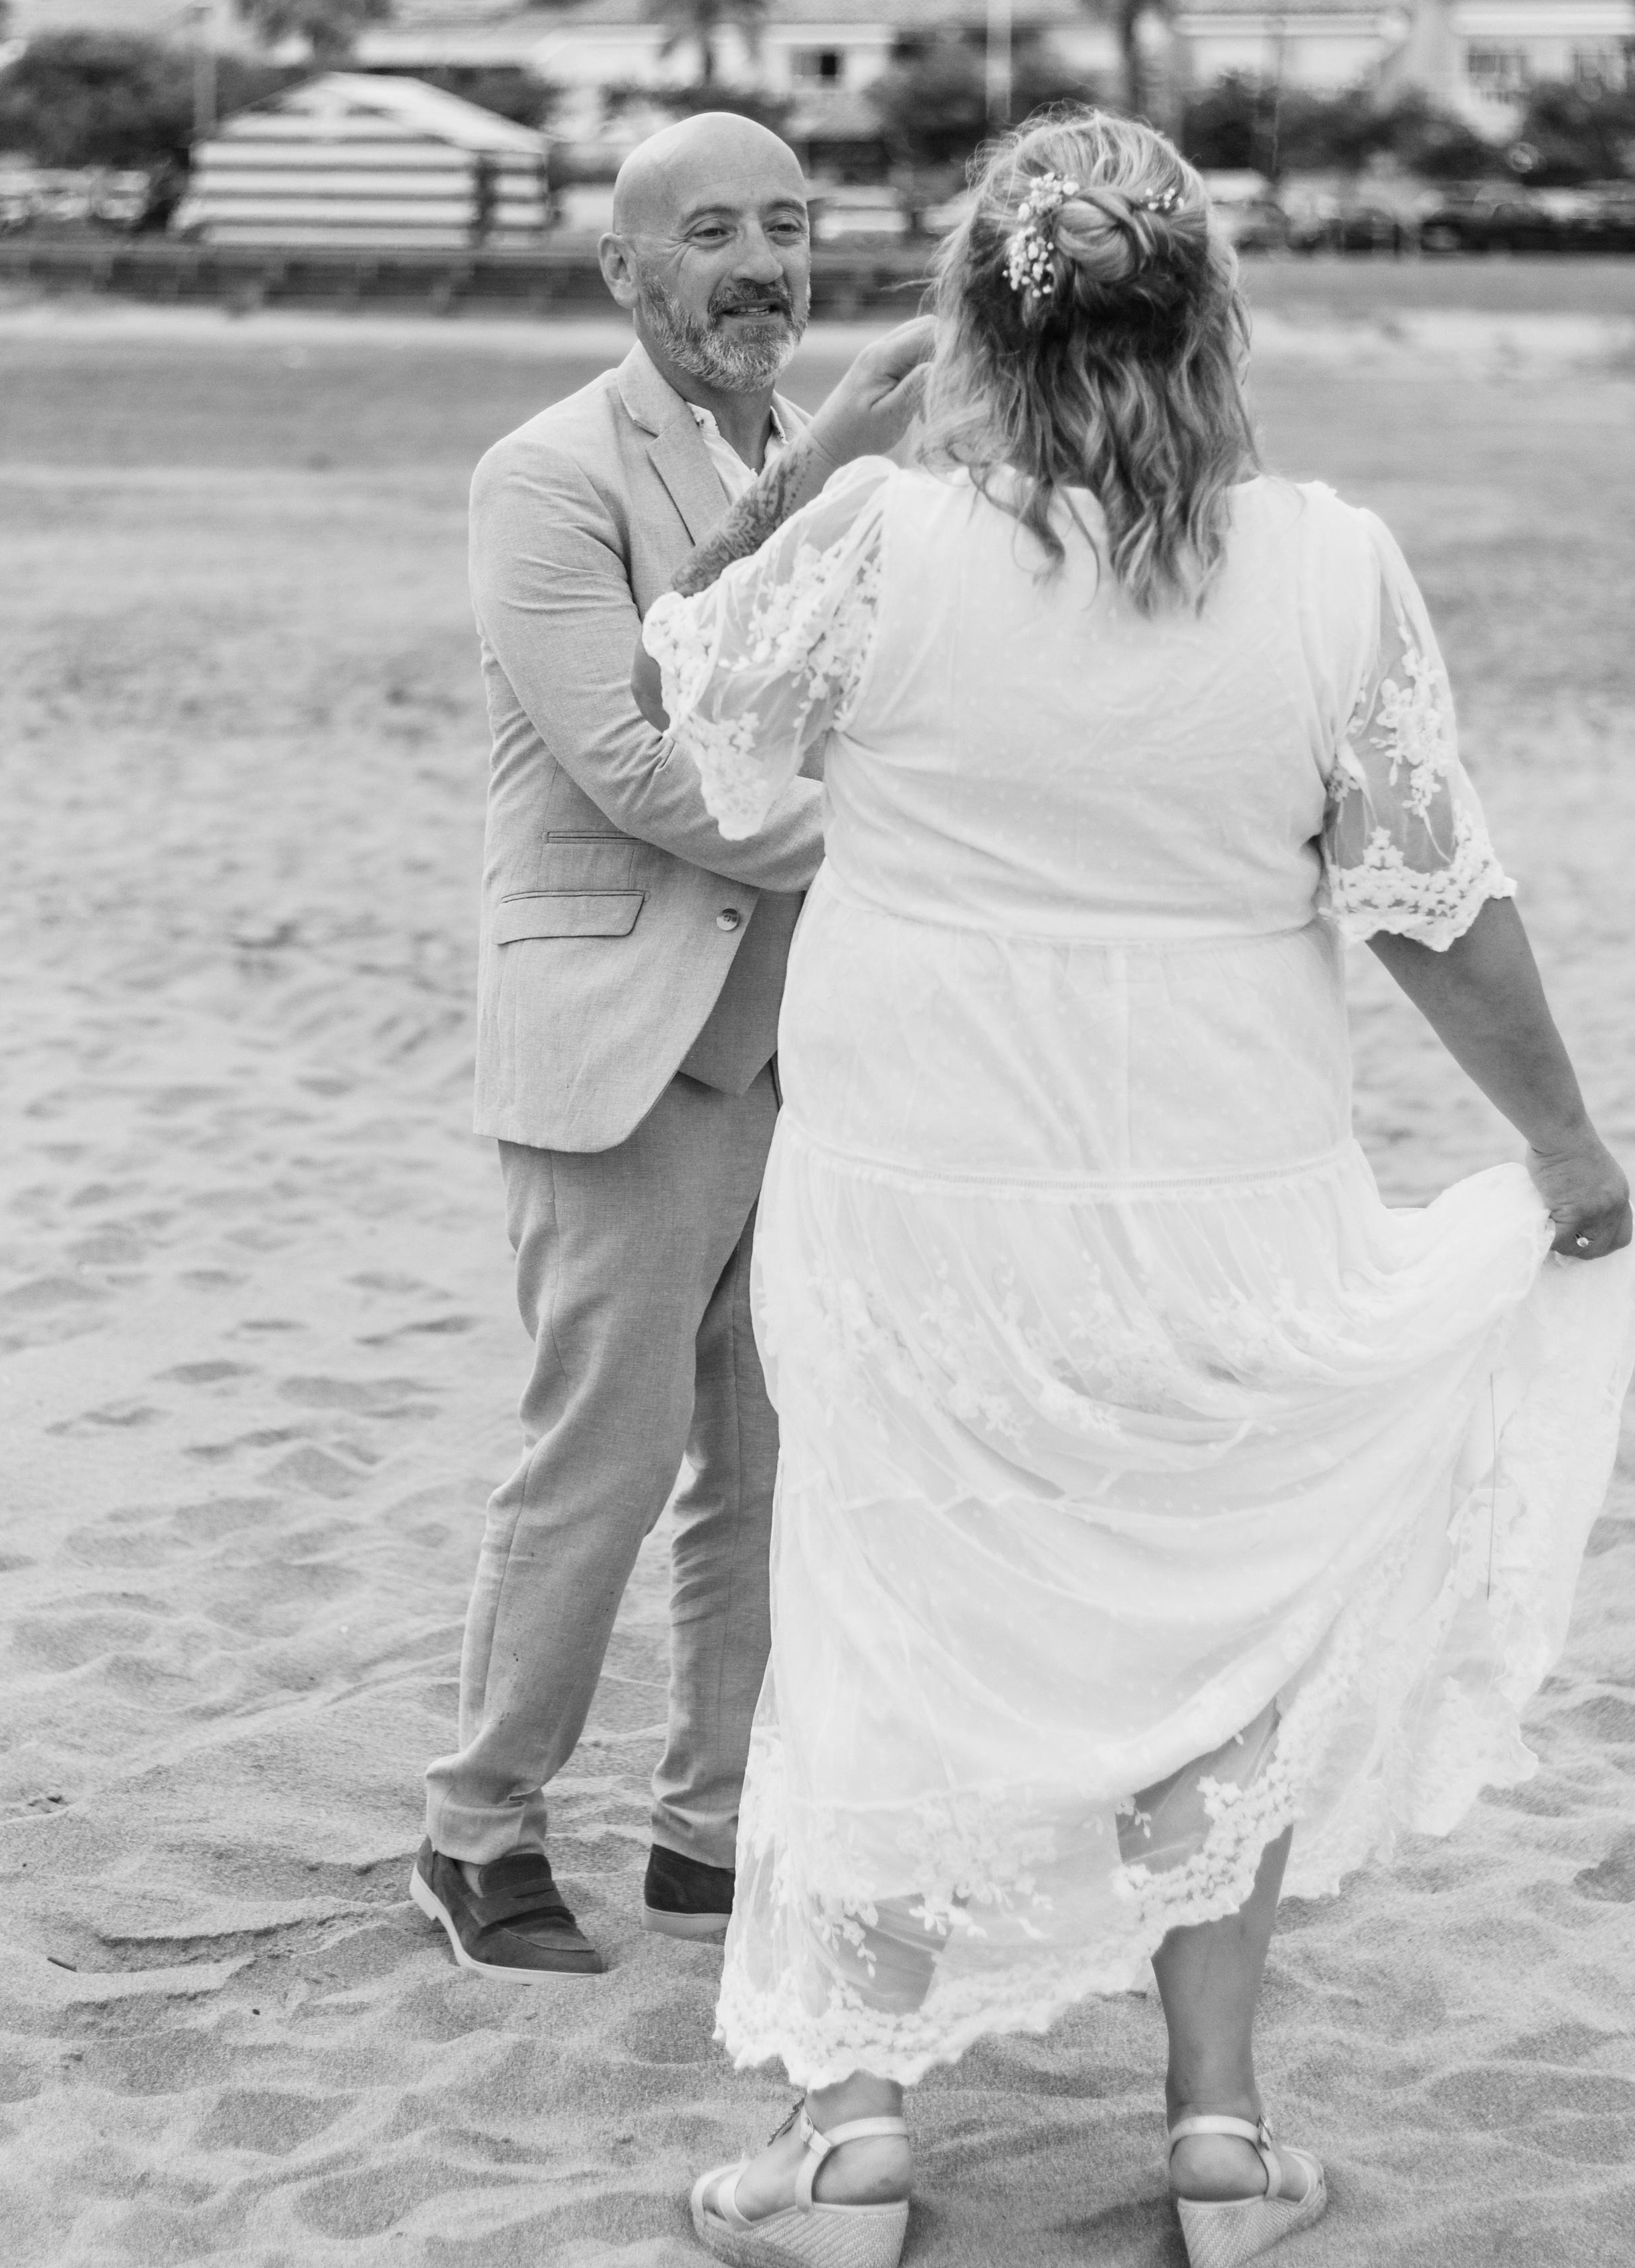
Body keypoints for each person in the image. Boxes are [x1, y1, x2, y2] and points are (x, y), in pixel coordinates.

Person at [632, 110, 1635, 2265]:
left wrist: (824, 457)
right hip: (1222, 1180)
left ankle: (852, 2147)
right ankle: (1218, 2143)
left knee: (887, 1610)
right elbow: (1434, 903)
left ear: (973, 325)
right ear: (1212, 322)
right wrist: (1564, 1147)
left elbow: (678, 679)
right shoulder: (1329, 566)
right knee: (1217, 1626)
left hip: (919, 1196)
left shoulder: (881, 543)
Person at [410, 111, 932, 1981]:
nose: (762, 264)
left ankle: (711, 1836)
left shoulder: (845, 470)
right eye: (711, 231)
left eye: (787, 225)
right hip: (624, 1042)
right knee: (604, 1461)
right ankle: (477, 1833)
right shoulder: (546, 475)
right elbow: (638, 761)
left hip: (810, 1047)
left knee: (774, 1463)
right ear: (623, 270)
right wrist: (918, 853)